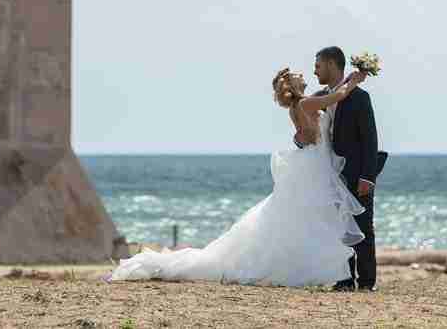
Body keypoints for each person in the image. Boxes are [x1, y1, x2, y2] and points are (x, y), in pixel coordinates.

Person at [108, 67, 369, 287]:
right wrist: (354, 80)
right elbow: (339, 95)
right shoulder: (307, 103)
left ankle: (317, 267)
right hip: (314, 165)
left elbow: (332, 95)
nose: (305, 76)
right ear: (293, 84)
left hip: (313, 163)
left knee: (301, 217)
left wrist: (346, 80)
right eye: (299, 75)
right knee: (309, 216)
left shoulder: (299, 105)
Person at [314, 46, 381, 292]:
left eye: (318, 65)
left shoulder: (359, 97)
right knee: (338, 227)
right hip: (329, 174)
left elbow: (370, 139)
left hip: (356, 173)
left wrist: (367, 176)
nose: (315, 71)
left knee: (362, 226)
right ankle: (343, 279)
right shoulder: (321, 96)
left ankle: (366, 282)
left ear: (332, 64)